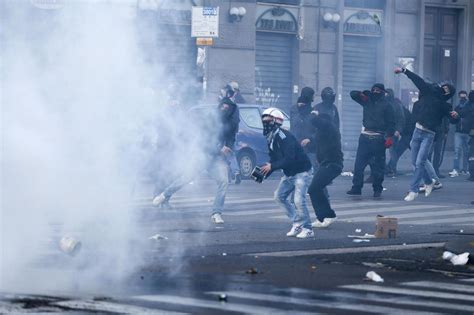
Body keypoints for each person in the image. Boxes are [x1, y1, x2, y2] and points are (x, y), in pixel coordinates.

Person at [152, 103, 236, 224]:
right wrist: (220, 149)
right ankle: (164, 195)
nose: (225, 110)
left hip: (217, 159)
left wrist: (227, 158)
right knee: (185, 178)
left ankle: (216, 213)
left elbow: (230, 145)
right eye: (223, 107)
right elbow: (204, 142)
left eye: (228, 108)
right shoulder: (211, 121)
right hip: (202, 156)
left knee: (223, 181)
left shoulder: (231, 126)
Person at [394, 67, 457, 201]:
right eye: (443, 88)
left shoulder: (445, 106)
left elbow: (453, 119)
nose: (443, 91)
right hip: (417, 131)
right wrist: (405, 71)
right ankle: (429, 182)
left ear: (449, 95)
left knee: (420, 162)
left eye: (447, 91)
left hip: (428, 134)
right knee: (415, 161)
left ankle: (414, 189)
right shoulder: (428, 91)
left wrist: (455, 116)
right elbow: (417, 80)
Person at [260, 108, 314, 239]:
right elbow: (275, 159)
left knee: (298, 201)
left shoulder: (285, 136)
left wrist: (272, 166)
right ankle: (297, 223)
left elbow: (290, 158)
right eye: (264, 121)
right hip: (290, 173)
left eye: (268, 121)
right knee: (279, 196)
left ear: (276, 122)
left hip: (302, 171)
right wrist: (264, 172)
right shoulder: (271, 137)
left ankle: (307, 228)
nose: (265, 124)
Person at [346, 83, 395, 198]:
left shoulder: (387, 106)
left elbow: (391, 123)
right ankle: (356, 188)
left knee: (378, 167)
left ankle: (377, 189)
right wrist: (362, 94)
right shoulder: (367, 101)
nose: (375, 92)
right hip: (364, 138)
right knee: (359, 165)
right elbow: (352, 94)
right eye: (374, 90)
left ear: (382, 92)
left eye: (378, 90)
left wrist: (389, 137)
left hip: (378, 138)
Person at [308, 110, 344, 228]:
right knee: (317, 189)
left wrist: (314, 114)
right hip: (326, 164)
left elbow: (315, 121)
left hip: (332, 164)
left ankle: (329, 215)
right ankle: (322, 217)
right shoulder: (323, 132)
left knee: (314, 188)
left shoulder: (329, 126)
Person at [290, 87, 317, 168]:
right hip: (297, 147)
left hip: (310, 149)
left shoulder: (314, 112)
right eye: (312, 96)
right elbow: (294, 126)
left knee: (309, 173)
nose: (314, 98)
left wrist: (310, 139)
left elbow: (317, 131)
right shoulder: (294, 110)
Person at [386, 99, 414, 176]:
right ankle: (390, 168)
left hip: (408, 134)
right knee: (396, 152)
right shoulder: (404, 111)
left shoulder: (401, 111)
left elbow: (402, 123)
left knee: (396, 152)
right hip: (408, 134)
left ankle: (390, 169)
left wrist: (398, 131)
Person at [385, 89, 405, 177]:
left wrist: (398, 130)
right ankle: (386, 169)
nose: (385, 95)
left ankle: (392, 169)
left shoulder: (396, 105)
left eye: (387, 94)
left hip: (393, 132)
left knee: (392, 152)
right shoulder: (383, 104)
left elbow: (401, 118)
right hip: (383, 131)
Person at [449, 90, 470, 177]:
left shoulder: (466, 108)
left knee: (464, 151)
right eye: (461, 97)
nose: (462, 99)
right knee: (459, 151)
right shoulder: (458, 108)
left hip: (465, 132)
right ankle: (459, 169)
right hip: (460, 132)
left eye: (463, 97)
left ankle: (463, 169)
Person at [455, 90, 474, 181]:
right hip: (467, 132)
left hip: (470, 132)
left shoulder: (468, 106)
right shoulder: (467, 106)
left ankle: (471, 173)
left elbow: (461, 114)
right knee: (466, 152)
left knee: (470, 154)